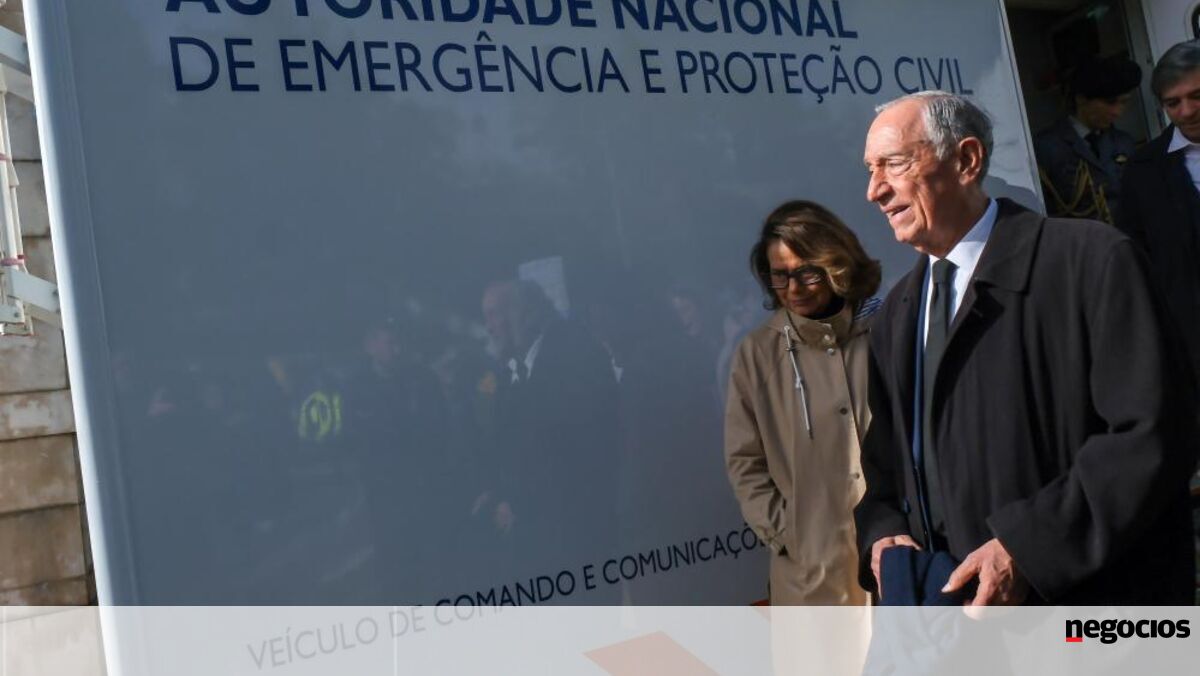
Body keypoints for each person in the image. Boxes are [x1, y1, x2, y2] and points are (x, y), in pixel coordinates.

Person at [855, 91, 1196, 605]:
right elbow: (886, 466)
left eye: (895, 164)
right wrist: (882, 534)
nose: (875, 190)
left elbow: (1153, 433)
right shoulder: (896, 315)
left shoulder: (1091, 262)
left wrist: (1029, 547)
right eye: (870, 169)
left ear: (967, 160)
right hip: (958, 619)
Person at [725, 200, 882, 606]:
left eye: (805, 272)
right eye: (779, 276)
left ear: (836, 264)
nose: (793, 289)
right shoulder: (758, 354)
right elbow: (744, 461)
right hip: (810, 578)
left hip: (893, 561)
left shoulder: (881, 332)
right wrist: (788, 535)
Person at [1117, 40, 1200, 390]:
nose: (1187, 111)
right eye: (1173, 103)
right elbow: (1136, 258)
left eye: (1197, 96)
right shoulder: (1143, 171)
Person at [1035, 56, 1142, 223]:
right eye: (1110, 102)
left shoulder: (1123, 143)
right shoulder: (1047, 147)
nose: (1117, 112)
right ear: (1081, 99)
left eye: (1123, 102)